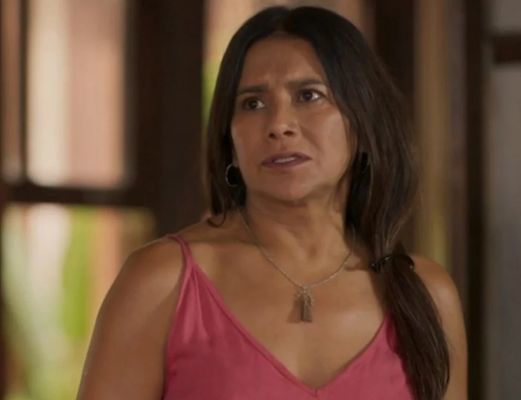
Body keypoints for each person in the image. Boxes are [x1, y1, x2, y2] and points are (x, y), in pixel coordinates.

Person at [77, 6, 467, 400]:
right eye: (253, 103)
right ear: (230, 139)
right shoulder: (162, 282)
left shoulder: (426, 295)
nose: (279, 124)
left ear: (363, 123)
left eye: (309, 96)